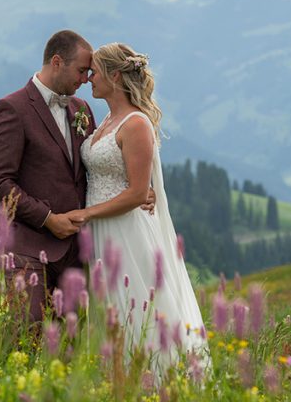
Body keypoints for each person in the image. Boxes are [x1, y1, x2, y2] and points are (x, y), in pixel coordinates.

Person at [63, 42, 207, 367]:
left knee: (134, 309)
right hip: (99, 230)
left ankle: (151, 379)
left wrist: (86, 213)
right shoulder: (105, 122)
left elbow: (138, 193)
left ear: (115, 76)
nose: (89, 79)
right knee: (106, 314)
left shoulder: (136, 124)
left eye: (95, 72)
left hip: (125, 230)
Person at [0, 30, 97, 325]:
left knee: (67, 349)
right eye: (82, 70)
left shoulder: (81, 110)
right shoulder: (12, 108)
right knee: (27, 338)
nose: (86, 79)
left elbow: (94, 169)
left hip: (75, 253)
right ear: (57, 62)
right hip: (26, 247)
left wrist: (138, 190)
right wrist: (49, 218)